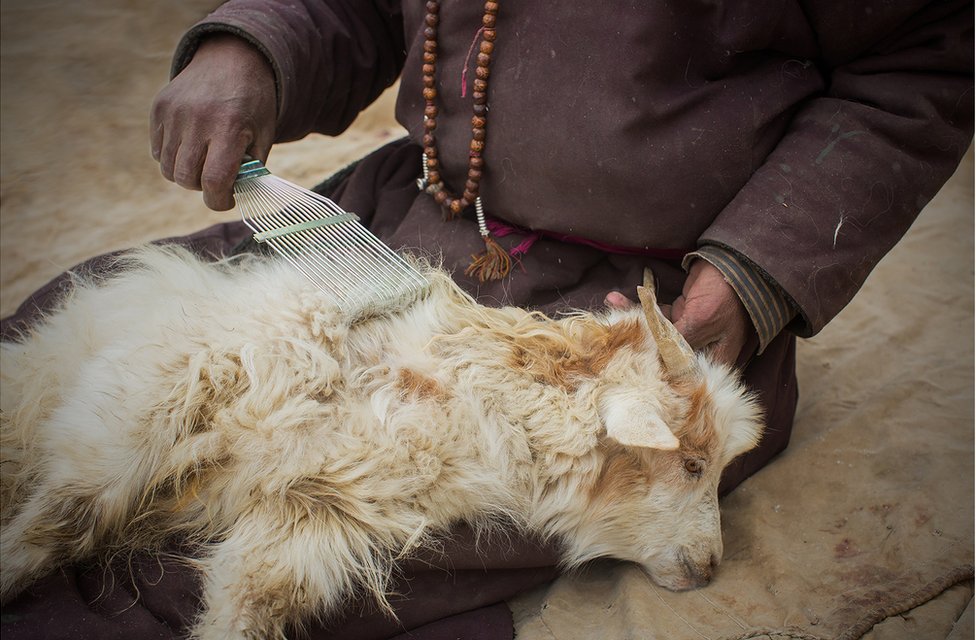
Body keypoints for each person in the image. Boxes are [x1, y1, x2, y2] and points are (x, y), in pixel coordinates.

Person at [3, 1, 971, 639]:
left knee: (270, 543)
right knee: (77, 340)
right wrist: (252, 44)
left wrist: (755, 273)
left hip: (645, 318)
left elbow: (922, 60)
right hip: (415, 223)